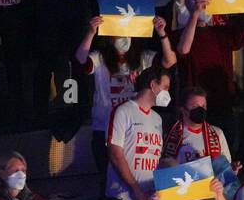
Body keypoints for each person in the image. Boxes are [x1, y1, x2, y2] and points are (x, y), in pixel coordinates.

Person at [74, 13, 174, 175]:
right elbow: (80, 61)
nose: (123, 38)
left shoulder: (143, 58)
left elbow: (169, 61)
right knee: (107, 180)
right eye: (118, 33)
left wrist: (162, 33)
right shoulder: (100, 57)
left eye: (127, 32)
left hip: (134, 130)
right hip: (104, 129)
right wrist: (91, 32)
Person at [102, 65, 170, 200]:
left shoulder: (158, 119)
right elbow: (115, 154)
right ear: (153, 85)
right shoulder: (124, 111)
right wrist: (135, 188)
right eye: (165, 86)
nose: (167, 92)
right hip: (123, 199)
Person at [176, 0, 244, 124]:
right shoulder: (181, 34)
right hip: (195, 104)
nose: (203, 7)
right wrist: (195, 14)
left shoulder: (221, 32)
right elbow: (184, 49)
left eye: (206, 3)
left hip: (223, 100)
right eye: (198, 2)